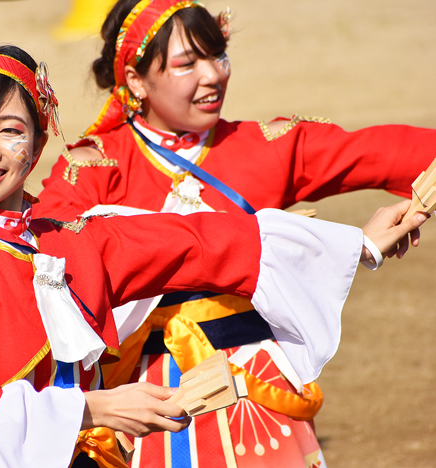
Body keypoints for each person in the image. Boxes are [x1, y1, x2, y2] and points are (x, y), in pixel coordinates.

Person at [0, 43, 426, 468]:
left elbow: (202, 243)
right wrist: (96, 408)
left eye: (10, 131)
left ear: (35, 145)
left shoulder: (69, 239)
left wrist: (356, 245)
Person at [32, 1, 436, 467]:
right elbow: (42, 266)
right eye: (187, 63)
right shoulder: (93, 167)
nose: (212, 75)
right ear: (137, 81)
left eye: (218, 55)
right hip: (143, 399)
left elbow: (386, 153)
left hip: (256, 391)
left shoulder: (262, 147)